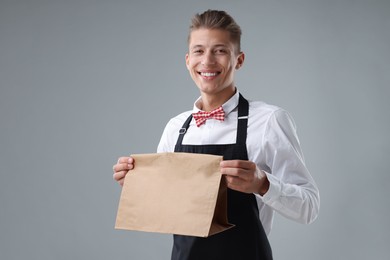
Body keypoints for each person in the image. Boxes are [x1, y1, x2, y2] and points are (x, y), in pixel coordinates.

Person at [113, 9, 319, 260]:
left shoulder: (268, 121)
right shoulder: (176, 127)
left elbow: (309, 207)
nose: (208, 61)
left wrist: (263, 184)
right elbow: (168, 209)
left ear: (239, 60)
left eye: (220, 50)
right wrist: (139, 184)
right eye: (199, 51)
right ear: (188, 60)